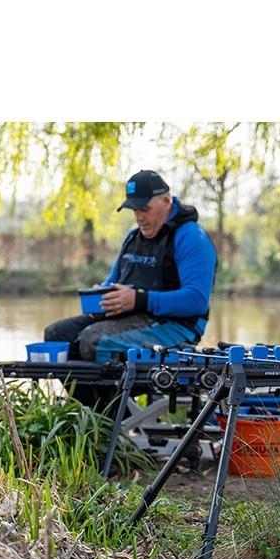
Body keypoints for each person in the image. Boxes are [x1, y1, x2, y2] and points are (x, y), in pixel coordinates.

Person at [44, 169, 218, 404]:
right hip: (130, 318)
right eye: (135, 210)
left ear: (166, 202)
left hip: (176, 327)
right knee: (57, 335)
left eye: (144, 209)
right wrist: (102, 296)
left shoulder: (192, 237)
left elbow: (196, 300)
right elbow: (114, 280)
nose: (139, 217)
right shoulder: (132, 237)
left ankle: (111, 416)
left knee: (93, 341)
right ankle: (93, 414)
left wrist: (139, 299)